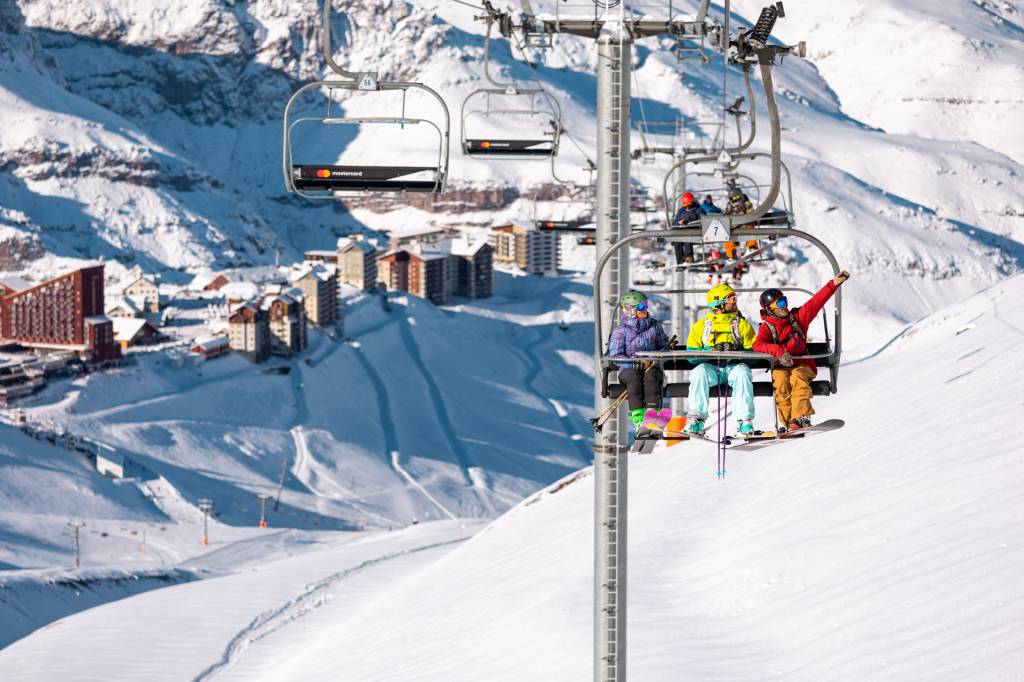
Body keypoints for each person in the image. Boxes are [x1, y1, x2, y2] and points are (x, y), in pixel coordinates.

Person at [753, 271, 851, 431]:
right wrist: (780, 352)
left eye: (784, 301)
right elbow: (758, 345)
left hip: (803, 364)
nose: (785, 306)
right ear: (769, 309)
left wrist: (833, 284)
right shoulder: (767, 328)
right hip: (781, 366)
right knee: (780, 380)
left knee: (798, 378)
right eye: (780, 304)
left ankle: (801, 417)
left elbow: (816, 302)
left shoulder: (797, 318)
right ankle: (788, 422)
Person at [684, 283, 758, 435]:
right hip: (712, 369)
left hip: (734, 368)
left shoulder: (742, 325)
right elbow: (691, 357)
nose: (735, 301)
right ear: (720, 303)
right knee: (699, 372)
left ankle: (745, 421)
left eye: (734, 298)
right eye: (731, 298)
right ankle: (696, 420)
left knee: (743, 372)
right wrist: (709, 351)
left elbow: (755, 355)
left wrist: (738, 351)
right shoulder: (701, 327)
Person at [606, 290, 671, 431]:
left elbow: (664, 346)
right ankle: (638, 418)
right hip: (628, 370)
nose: (645, 309)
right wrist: (633, 363)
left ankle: (653, 414)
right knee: (634, 378)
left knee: (652, 377)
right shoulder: (621, 331)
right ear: (630, 310)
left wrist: (659, 355)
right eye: (641, 307)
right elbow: (615, 355)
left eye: (646, 305)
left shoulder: (654, 326)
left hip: (651, 367)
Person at [671, 191, 703, 263]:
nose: (687, 207)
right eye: (686, 205)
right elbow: (674, 222)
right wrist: (679, 222)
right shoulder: (681, 210)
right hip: (681, 230)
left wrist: (688, 222)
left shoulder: (699, 209)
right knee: (677, 241)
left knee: (687, 235)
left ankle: (689, 257)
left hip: (694, 230)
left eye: (689, 205)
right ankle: (680, 261)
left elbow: (703, 220)